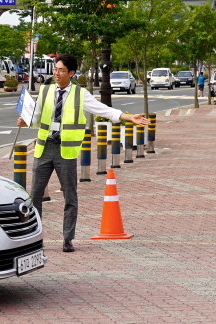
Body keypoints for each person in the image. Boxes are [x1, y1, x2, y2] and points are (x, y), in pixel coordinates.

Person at [17, 54, 148, 253]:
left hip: (66, 152)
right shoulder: (45, 90)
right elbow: (35, 117)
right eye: (55, 69)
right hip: (44, 148)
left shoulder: (80, 94)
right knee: (35, 196)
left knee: (70, 197)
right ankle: (35, 238)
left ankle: (68, 238)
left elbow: (103, 110)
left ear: (71, 73)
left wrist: (128, 117)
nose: (56, 73)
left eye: (61, 70)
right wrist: (26, 121)